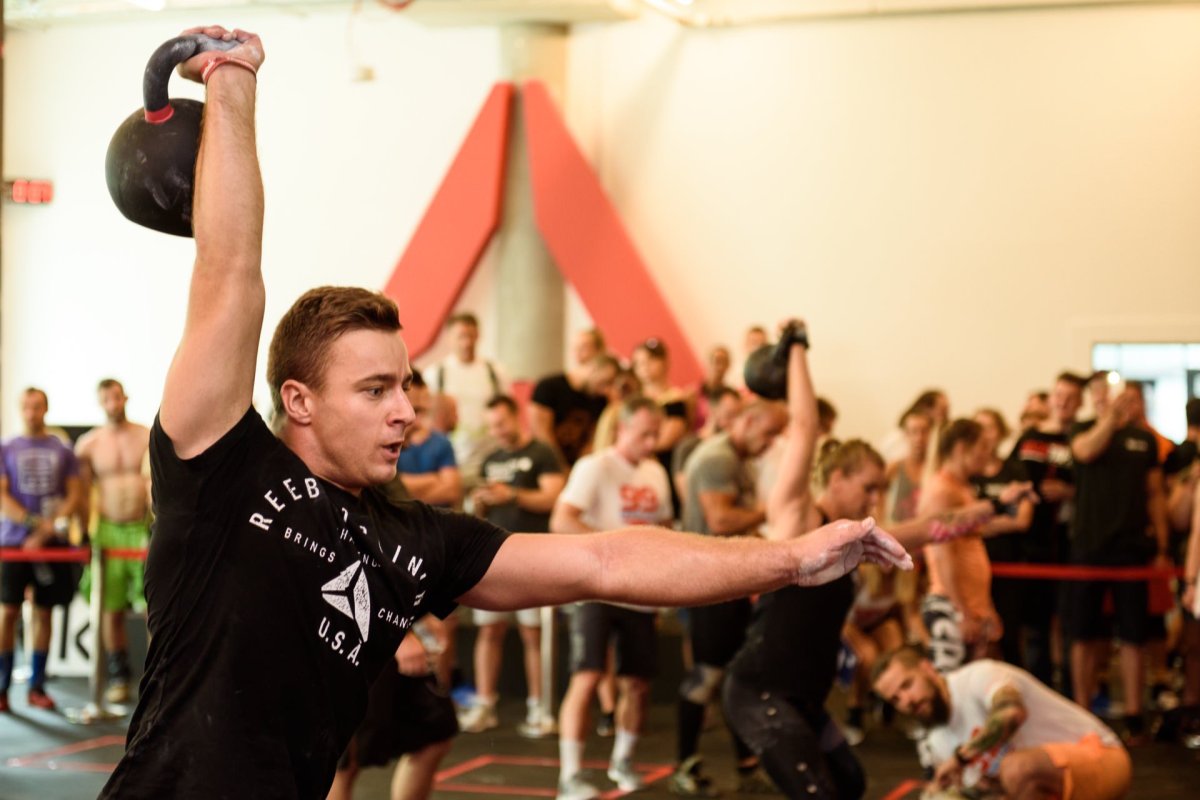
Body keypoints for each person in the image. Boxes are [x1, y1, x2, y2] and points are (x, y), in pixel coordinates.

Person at [98, 27, 910, 799]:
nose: (405, 413)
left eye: (407, 387)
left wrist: (790, 558)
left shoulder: (416, 543)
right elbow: (231, 271)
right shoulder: (219, 470)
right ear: (298, 402)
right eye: (375, 390)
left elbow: (608, 564)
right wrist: (233, 85)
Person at [550, 396, 675, 799]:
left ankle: (622, 761)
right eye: (644, 434)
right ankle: (570, 775)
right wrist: (611, 550)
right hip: (597, 589)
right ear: (622, 429)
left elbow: (666, 529)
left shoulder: (656, 470)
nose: (652, 441)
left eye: (656, 433)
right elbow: (562, 518)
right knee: (586, 678)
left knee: (637, 684)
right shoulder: (595, 467)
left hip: (640, 594)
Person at [670, 400, 788, 795]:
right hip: (708, 584)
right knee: (708, 676)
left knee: (736, 676)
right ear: (748, 421)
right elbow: (721, 521)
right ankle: (684, 765)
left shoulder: (736, 461)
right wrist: (768, 510)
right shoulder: (718, 459)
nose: (770, 443)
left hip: (726, 583)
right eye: (768, 433)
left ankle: (746, 765)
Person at [873, 646, 1131, 799]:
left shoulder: (979, 676)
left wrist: (961, 758)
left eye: (907, 685)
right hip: (1047, 786)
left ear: (928, 668)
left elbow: (1011, 712)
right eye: (895, 699)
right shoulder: (936, 741)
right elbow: (991, 788)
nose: (906, 700)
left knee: (1017, 768)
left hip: (1102, 755)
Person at [1067, 382, 1169, 742]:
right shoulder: (1082, 430)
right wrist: (1110, 418)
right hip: (1089, 548)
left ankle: (1134, 713)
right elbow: (1084, 452)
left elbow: (1155, 493)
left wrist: (1162, 544)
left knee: (1133, 635)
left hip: (1131, 551)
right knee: (1082, 633)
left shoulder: (1144, 441)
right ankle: (1081, 709)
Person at [460, 395, 564, 736]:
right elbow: (480, 513)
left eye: (502, 423)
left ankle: (539, 707)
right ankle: (485, 704)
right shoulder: (491, 459)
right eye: (492, 426)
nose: (498, 431)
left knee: (533, 635)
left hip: (534, 558)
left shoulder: (541, 453)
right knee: (489, 632)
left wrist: (513, 495)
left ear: (516, 417)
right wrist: (480, 504)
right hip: (493, 560)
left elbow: (554, 498)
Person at [920, 420, 1032, 673]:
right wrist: (962, 612)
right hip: (953, 604)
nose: (988, 453)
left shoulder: (961, 486)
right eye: (983, 446)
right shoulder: (942, 490)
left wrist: (984, 607)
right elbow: (942, 554)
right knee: (952, 690)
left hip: (970, 603)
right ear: (961, 448)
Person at [0, 387, 84, 712]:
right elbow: (3, 496)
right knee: (8, 611)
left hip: (51, 546)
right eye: (27, 407)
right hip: (12, 544)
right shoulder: (6, 446)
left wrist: (48, 530)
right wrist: (33, 524)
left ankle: (37, 686)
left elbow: (74, 494)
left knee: (44, 613)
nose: (32, 412)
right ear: (21, 409)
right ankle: (3, 688)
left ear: (45, 409)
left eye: (38, 407)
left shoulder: (62, 448)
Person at [75, 378, 152, 704]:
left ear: (125, 397)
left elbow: (153, 483)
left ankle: (156, 677)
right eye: (106, 398)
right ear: (100, 401)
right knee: (111, 608)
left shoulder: (146, 435)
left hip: (141, 529)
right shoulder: (89, 445)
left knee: (153, 606)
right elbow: (80, 493)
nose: (113, 402)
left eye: (117, 396)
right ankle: (119, 677)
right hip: (106, 531)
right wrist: (80, 534)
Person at [1005, 372, 1085, 688]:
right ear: (1050, 398)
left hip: (1069, 544)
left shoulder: (1081, 442)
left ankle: (1067, 689)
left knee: (1068, 625)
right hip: (1030, 544)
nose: (1063, 402)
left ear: (1079, 403)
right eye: (1058, 395)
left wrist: (1070, 492)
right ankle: (1037, 687)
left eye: (1070, 397)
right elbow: (1010, 476)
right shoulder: (1029, 439)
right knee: (1035, 626)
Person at [431, 311, 508, 487]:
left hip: (491, 458)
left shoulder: (495, 372)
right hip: (452, 460)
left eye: (471, 336)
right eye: (461, 336)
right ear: (450, 338)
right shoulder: (436, 374)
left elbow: (507, 411)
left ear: (478, 336)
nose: (467, 343)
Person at [529, 354, 618, 467]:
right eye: (605, 381)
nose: (605, 390)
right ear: (593, 368)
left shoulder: (600, 400)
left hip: (578, 466)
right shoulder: (548, 387)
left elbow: (593, 440)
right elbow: (542, 435)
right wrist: (561, 467)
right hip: (548, 466)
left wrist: (579, 469)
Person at [395, 371, 462, 508]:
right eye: (415, 410)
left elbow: (452, 491)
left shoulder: (441, 443)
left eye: (422, 412)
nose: (416, 421)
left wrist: (406, 486)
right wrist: (433, 479)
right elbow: (388, 491)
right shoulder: (388, 447)